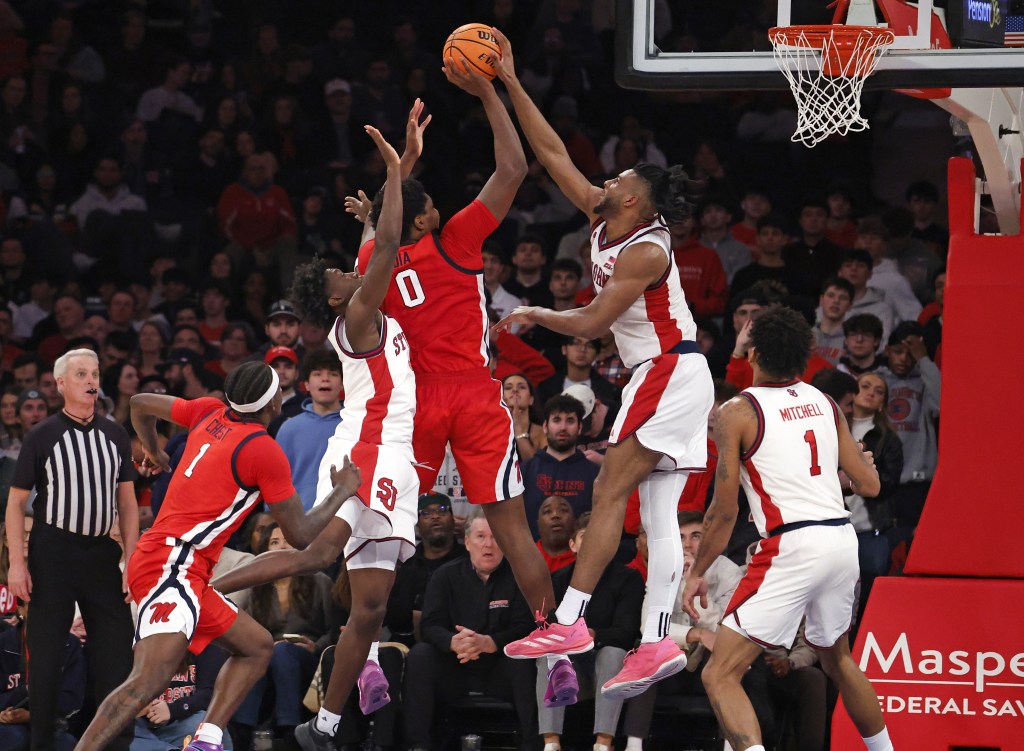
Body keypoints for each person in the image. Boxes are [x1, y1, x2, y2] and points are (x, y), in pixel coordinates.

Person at [492, 29, 715, 700]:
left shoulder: (646, 249)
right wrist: (509, 79)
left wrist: (535, 314)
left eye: (619, 180)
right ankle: (656, 640)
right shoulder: (603, 212)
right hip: (665, 373)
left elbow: (589, 322)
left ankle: (569, 621)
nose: (608, 179)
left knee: (609, 490)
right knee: (656, 511)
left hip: (669, 370)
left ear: (635, 204)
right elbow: (550, 149)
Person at [211, 124, 419, 751]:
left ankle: (322, 725)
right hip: (369, 448)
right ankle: (196, 581)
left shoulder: (358, 307)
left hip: (394, 451)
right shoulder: (357, 316)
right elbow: (386, 247)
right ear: (336, 296)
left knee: (372, 609)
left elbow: (369, 249)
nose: (350, 271)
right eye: (340, 273)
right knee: (314, 556)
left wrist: (368, 213)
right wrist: (394, 173)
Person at [351, 67, 555, 658]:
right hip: (472, 391)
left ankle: (364, 646)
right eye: (430, 204)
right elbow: (513, 168)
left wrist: (401, 166)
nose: (439, 208)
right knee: (514, 531)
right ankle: (551, 641)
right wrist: (489, 91)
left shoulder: (373, 256)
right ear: (421, 219)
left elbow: (382, 223)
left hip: (414, 399)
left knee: (384, 534)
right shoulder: (456, 239)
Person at [69, 359, 363, 751]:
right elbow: (302, 534)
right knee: (146, 683)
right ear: (274, 401)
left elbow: (139, 403)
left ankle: (205, 740)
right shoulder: (262, 449)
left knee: (257, 647)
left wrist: (155, 450)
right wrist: (342, 490)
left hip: (182, 567)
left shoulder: (208, 410)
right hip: (171, 566)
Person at [679, 305, 892, 751]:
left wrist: (698, 571)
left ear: (752, 353)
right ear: (801, 357)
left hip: (791, 545)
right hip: (839, 540)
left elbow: (722, 512)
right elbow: (869, 486)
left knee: (719, 673)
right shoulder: (826, 402)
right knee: (839, 661)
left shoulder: (736, 412)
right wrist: (856, 469)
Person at [6, 349, 139, 751]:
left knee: (116, 658)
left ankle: (114, 743)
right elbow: (15, 503)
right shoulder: (42, 434)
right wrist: (17, 563)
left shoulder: (115, 434)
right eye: (81, 374)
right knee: (45, 664)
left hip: (101, 554)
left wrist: (131, 558)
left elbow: (128, 502)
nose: (91, 381)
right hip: (53, 552)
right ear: (61, 383)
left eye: (95, 373)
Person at [402, 512, 538, 751]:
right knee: (420, 655)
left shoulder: (519, 576)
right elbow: (430, 625)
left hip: (500, 668)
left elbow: (526, 627)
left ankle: (533, 744)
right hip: (456, 666)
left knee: (523, 661)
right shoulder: (445, 575)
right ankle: (418, 746)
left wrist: (490, 642)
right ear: (467, 542)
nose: (488, 544)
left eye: (496, 537)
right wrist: (452, 642)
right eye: (481, 536)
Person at [538, 513, 644, 751]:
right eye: (586, 536)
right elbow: (547, 628)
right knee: (551, 656)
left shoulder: (628, 578)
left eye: (601, 536)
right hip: (573, 670)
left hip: (609, 670)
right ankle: (551, 742)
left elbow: (626, 633)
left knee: (612, 653)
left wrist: (593, 634)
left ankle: (603, 743)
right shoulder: (558, 579)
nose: (595, 541)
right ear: (573, 545)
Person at [521, 394, 600, 539]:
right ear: (545, 426)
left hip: (581, 556)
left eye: (570, 421)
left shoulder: (595, 473)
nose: (563, 427)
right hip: (533, 556)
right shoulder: (525, 471)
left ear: (580, 427)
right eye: (556, 420)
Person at [274, 349, 343, 510]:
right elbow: (275, 481)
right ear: (306, 384)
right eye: (318, 374)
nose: (325, 379)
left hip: (345, 522)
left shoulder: (354, 426)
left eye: (332, 374)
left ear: (342, 384)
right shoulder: (289, 429)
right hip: (298, 521)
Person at [813, 277, 855, 366]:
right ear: (821, 299)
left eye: (843, 298)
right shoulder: (807, 334)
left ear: (850, 305)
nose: (836, 301)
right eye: (831, 295)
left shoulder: (853, 340)